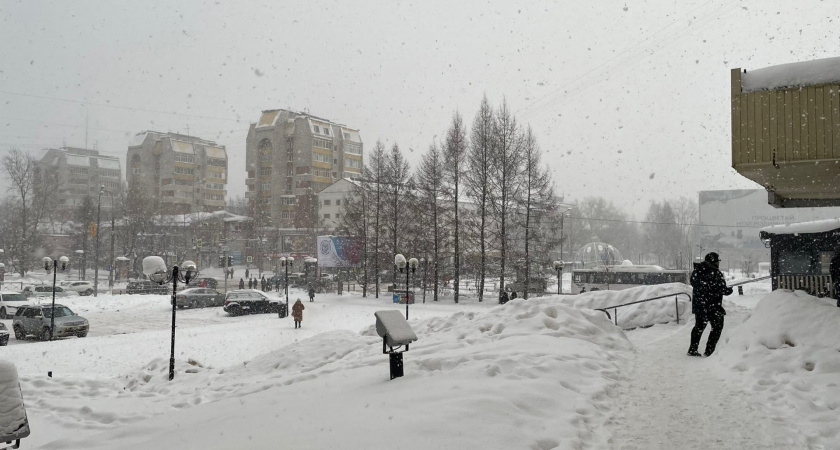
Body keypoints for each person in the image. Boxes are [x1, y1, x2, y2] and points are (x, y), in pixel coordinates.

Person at [688, 252, 733, 357]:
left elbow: (695, 284)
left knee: (699, 327)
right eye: (718, 261)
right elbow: (722, 289)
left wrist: (706, 287)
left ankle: (692, 349)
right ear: (714, 261)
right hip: (713, 306)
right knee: (717, 327)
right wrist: (728, 290)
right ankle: (709, 351)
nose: (718, 263)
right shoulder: (716, 273)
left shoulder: (697, 271)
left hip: (700, 305)